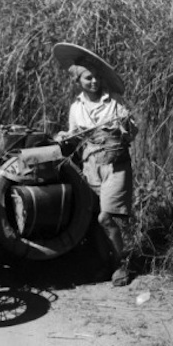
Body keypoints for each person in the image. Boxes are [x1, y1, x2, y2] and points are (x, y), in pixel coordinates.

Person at [53, 43, 138, 287]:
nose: (94, 82)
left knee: (105, 217)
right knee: (95, 221)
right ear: (78, 80)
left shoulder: (115, 102)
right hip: (92, 166)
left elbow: (132, 132)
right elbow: (75, 137)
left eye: (97, 78)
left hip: (116, 165)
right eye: (88, 78)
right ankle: (107, 265)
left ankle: (122, 264)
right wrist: (64, 137)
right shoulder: (76, 108)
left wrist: (124, 125)